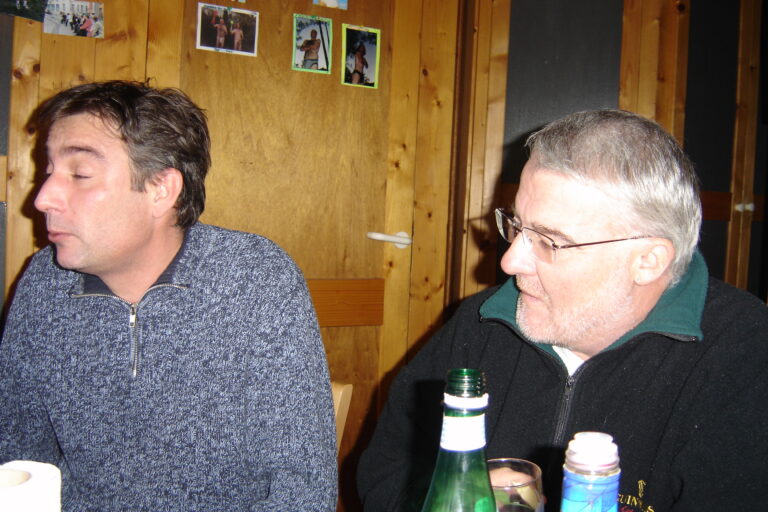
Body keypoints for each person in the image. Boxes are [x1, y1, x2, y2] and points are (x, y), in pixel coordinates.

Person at [357, 109, 768, 511]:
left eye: (549, 241)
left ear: (648, 261)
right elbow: (385, 469)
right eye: (517, 226)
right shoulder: (482, 321)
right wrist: (455, 496)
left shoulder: (742, 354)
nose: (509, 262)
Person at [0, 80, 337, 511]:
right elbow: (17, 458)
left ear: (161, 189)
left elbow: (304, 489)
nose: (43, 198)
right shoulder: (43, 284)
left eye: (80, 174)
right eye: (49, 171)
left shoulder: (256, 280)